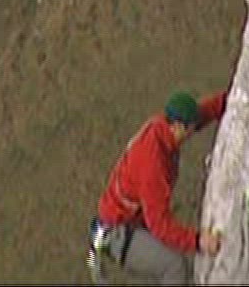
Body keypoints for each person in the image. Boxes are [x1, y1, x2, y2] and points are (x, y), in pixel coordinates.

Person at [87, 89, 226, 285]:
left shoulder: (163, 127)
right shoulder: (153, 164)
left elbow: (202, 113)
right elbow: (159, 224)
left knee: (171, 253)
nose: (193, 131)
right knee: (174, 266)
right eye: (191, 128)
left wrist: (228, 99)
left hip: (130, 221)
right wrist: (198, 241)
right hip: (118, 232)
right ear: (179, 127)